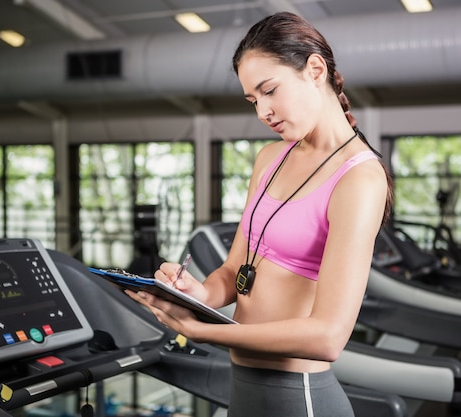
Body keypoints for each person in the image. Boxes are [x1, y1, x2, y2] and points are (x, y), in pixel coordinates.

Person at [127, 11, 393, 417]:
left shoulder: (359, 180)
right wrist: (197, 294)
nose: (262, 112)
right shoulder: (270, 158)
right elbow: (236, 271)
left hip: (301, 396)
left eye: (270, 91)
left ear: (315, 70)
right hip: (245, 390)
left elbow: (328, 337)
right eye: (253, 100)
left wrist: (205, 330)